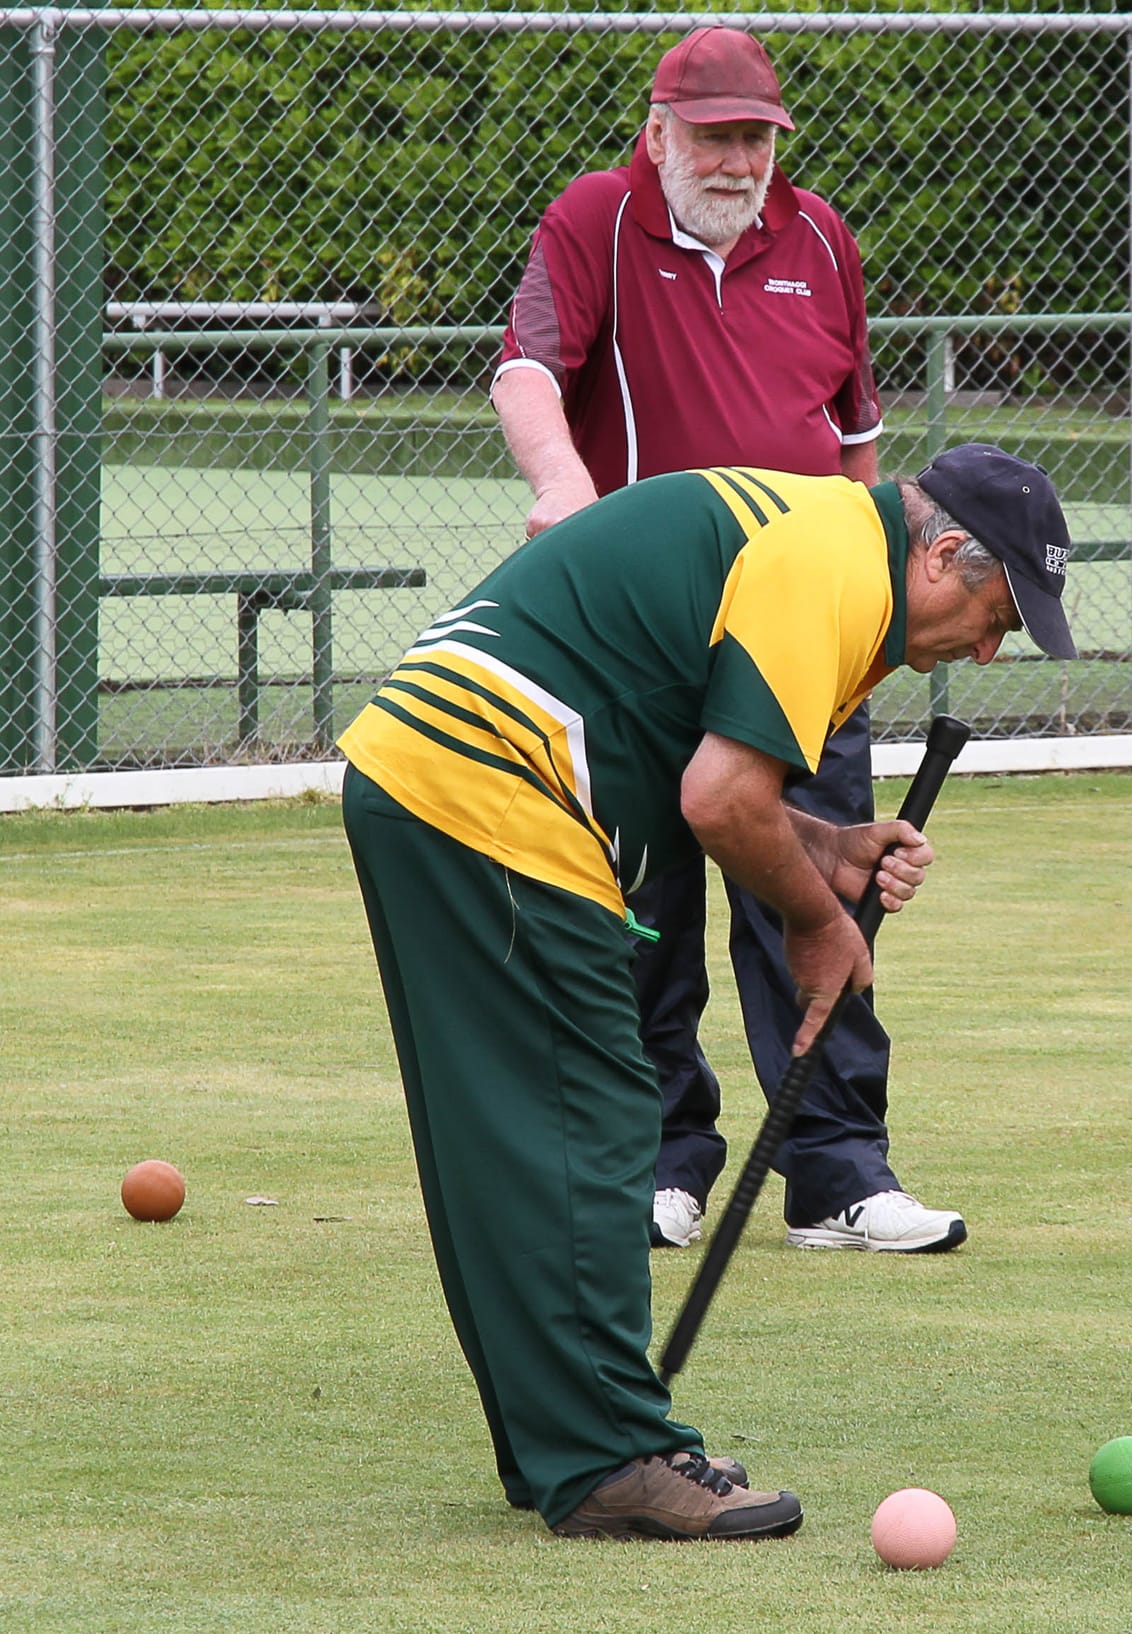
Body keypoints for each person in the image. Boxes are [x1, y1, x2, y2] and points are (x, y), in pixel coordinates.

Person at [338, 445, 1076, 1539]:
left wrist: (824, 848)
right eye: (993, 612)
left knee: (503, 1142)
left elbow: (699, 753)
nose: (980, 646)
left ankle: (559, 1442)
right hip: (497, 788)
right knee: (586, 1119)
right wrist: (820, 927)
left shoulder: (819, 539)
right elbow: (724, 798)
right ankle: (606, 1455)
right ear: (944, 550)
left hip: (431, 778)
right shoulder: (831, 564)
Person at [490, 27, 960, 1258]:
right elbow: (526, 375)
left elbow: (857, 436)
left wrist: (873, 603)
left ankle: (837, 1169)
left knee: (818, 888)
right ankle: (660, 1158)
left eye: (756, 136)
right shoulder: (592, 220)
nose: (737, 158)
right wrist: (560, 485)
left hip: (805, 625)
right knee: (642, 910)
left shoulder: (820, 237)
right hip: (647, 636)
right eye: (713, 135)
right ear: (658, 132)